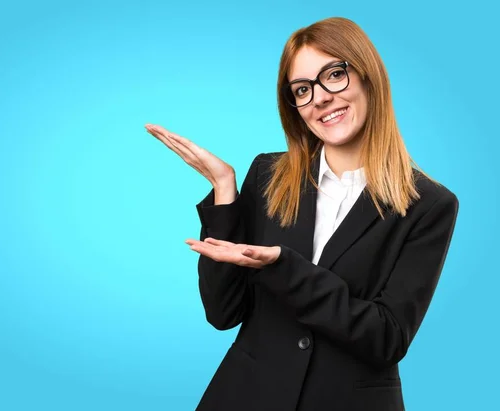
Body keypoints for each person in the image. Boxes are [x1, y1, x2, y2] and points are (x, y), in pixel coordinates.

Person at [145, 16, 458, 411]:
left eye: (334, 75)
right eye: (303, 89)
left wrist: (282, 266)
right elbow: (224, 314)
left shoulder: (429, 204)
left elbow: (387, 338)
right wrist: (225, 190)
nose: (321, 97)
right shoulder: (267, 176)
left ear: (367, 77)